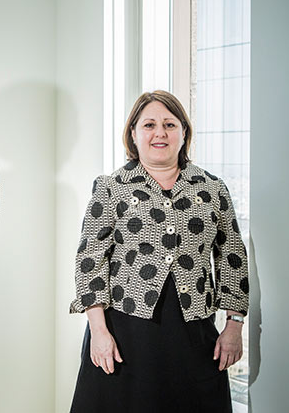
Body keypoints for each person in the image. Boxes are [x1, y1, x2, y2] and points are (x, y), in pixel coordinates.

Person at [69, 90, 248, 412]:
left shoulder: (212, 189)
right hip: (124, 331)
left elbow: (232, 256)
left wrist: (234, 326)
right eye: (149, 125)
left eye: (169, 124)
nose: (160, 133)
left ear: (184, 132)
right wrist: (99, 331)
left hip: (194, 332)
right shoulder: (111, 187)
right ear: (134, 134)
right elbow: (90, 259)